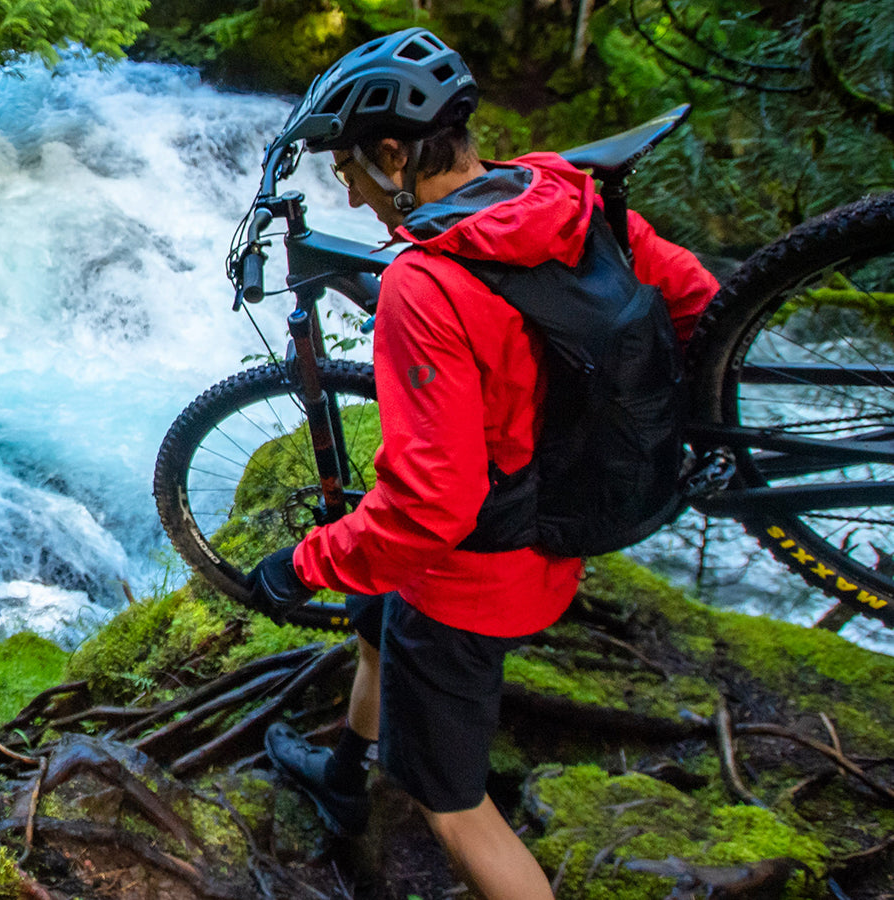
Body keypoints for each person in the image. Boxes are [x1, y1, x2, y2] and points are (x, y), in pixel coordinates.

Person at [242, 27, 720, 900]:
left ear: (393, 154)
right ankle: (342, 774)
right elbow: (693, 301)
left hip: (470, 585)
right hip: (555, 527)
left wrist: (302, 563)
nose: (352, 201)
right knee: (374, 619)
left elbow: (432, 509)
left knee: (451, 805)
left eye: (350, 174)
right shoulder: (566, 198)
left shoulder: (427, 288)